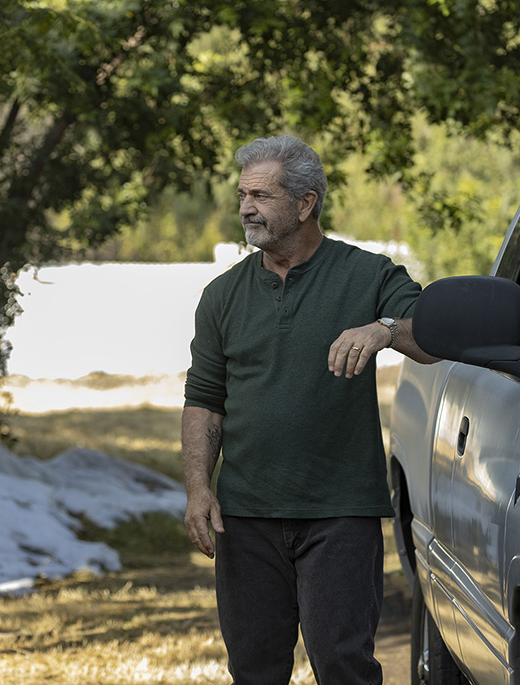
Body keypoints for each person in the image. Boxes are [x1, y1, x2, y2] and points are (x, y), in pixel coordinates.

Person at [182, 134, 438, 684]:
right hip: (245, 517)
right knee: (254, 669)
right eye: (243, 194)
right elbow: (204, 400)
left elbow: (431, 338)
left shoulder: (367, 274)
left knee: (343, 664)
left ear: (305, 203)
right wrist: (199, 490)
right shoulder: (221, 296)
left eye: (262, 196)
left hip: (340, 512)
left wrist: (385, 328)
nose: (247, 207)